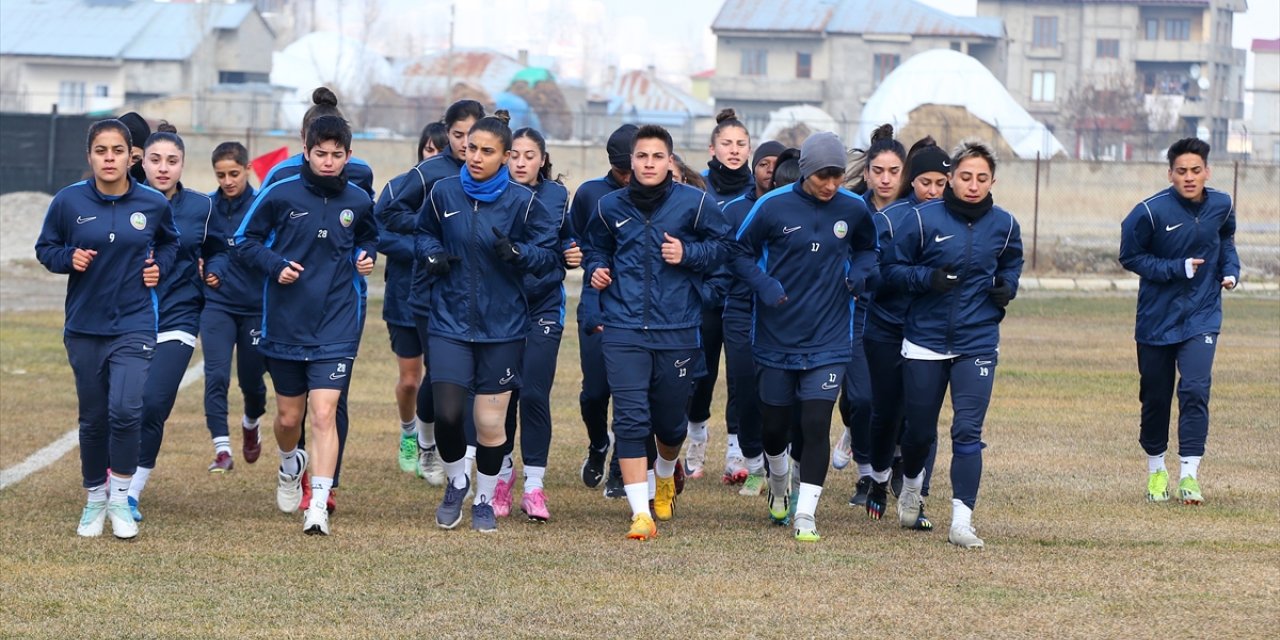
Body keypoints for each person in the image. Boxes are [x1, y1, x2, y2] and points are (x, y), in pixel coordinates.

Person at [583, 124, 732, 540]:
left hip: (678, 330)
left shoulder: (696, 204)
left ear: (670, 161)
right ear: (630, 162)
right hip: (624, 327)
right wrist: (595, 269)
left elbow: (724, 249)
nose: (649, 163)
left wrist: (689, 254)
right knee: (630, 421)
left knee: (670, 426)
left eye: (657, 156)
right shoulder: (608, 206)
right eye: (642, 156)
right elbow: (594, 248)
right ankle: (640, 513)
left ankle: (665, 475)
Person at [234, 114, 378, 535]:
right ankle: (288, 463)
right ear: (306, 152)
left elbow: (370, 237)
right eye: (321, 154)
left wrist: (366, 255)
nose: (329, 162)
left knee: (323, 413)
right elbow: (244, 242)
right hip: (285, 322)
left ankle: (317, 502)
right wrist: (275, 266)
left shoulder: (358, 200)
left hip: (336, 322)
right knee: (287, 418)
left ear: (348, 156)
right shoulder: (279, 192)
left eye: (337, 155)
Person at [35, 118, 179, 539]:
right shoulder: (68, 202)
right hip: (84, 326)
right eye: (102, 151)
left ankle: (120, 500)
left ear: (130, 155)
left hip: (134, 323)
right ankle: (95, 498)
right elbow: (46, 247)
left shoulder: (153, 203)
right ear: (90, 156)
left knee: (126, 409)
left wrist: (159, 268)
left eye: (117, 151)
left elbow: (170, 243)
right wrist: (68, 259)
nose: (110, 158)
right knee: (95, 417)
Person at [731, 132, 878, 541]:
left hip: (830, 338)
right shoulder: (771, 206)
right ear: (807, 172)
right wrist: (765, 285)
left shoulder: (854, 208)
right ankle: (779, 488)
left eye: (837, 177)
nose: (831, 185)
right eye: (823, 177)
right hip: (776, 337)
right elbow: (738, 252)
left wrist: (859, 273)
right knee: (776, 429)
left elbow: (869, 249)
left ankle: (806, 515)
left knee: (815, 424)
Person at [417, 111, 558, 532]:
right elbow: (423, 232)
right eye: (471, 148)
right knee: (446, 414)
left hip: (503, 327)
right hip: (448, 322)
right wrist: (432, 255)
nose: (475, 156)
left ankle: (483, 496)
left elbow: (546, 257)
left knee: (491, 424)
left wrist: (519, 255)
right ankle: (457, 480)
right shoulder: (442, 193)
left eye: (486, 151)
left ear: (504, 157)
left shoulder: (523, 202)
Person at [883, 139, 1023, 549]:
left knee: (967, 430)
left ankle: (962, 521)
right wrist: (926, 280)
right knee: (920, 432)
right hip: (925, 339)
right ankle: (911, 488)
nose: (973, 185)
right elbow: (890, 270)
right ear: (950, 180)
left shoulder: (1006, 224)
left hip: (977, 339)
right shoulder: (922, 220)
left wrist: (1006, 288)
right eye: (965, 177)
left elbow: (1012, 262)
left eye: (982, 178)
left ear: (992, 180)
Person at [1119, 137, 1239, 505]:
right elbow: (1130, 256)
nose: (1189, 177)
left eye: (1196, 171)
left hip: (1202, 316)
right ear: (1170, 174)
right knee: (1156, 397)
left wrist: (1231, 270)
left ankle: (1190, 475)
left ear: (1207, 171)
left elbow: (1226, 240)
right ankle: (1157, 470)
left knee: (1195, 390)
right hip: (1156, 320)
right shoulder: (1149, 212)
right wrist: (1177, 268)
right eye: (1182, 171)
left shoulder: (1221, 204)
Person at [379, 100, 487, 485]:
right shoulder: (430, 173)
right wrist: (433, 228)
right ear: (447, 133)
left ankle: (472, 462)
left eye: (473, 137)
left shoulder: (493, 171)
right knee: (438, 377)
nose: (465, 144)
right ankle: (426, 444)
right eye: (458, 135)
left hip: (477, 294)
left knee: (471, 382)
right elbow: (387, 214)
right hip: (430, 293)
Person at [129, 123, 228, 521]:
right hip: (128, 316)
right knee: (121, 406)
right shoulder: (123, 199)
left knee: (153, 403)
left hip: (180, 314)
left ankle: (132, 490)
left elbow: (219, 246)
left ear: (183, 164)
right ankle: (109, 479)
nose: (163, 168)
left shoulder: (202, 207)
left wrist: (214, 268)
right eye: (155, 160)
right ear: (144, 162)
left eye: (172, 161)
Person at [862, 137, 950, 526]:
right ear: (911, 181)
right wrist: (923, 279)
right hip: (886, 328)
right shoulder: (889, 219)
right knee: (886, 413)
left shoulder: (956, 221)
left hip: (931, 332)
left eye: (940, 184)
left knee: (923, 419)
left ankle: (916, 496)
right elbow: (876, 276)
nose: (932, 191)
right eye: (925, 182)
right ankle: (879, 479)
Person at [492, 127, 576, 522]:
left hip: (543, 304)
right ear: (504, 157)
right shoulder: (490, 194)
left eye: (530, 155)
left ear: (543, 159)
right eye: (515, 155)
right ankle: (503, 477)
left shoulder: (556, 195)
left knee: (535, 393)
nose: (521, 162)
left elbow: (568, 238)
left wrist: (574, 251)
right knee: (503, 395)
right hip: (501, 307)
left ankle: (535, 487)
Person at [835, 124, 905, 509]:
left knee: (894, 400)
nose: (886, 178)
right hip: (858, 314)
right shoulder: (849, 210)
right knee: (860, 399)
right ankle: (865, 472)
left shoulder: (917, 211)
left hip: (900, 316)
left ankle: (894, 464)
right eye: (879, 171)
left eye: (894, 171)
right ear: (867, 173)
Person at [686, 108, 754, 483]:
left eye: (741, 144)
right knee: (702, 373)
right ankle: (696, 438)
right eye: (726, 143)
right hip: (704, 295)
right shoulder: (698, 186)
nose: (734, 150)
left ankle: (736, 450)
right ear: (712, 148)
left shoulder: (757, 191)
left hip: (743, 297)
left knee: (742, 377)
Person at [717, 140, 786, 497]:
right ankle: (754, 465)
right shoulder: (733, 210)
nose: (770, 170)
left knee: (778, 393)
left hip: (783, 310)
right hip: (742, 309)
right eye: (764, 164)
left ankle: (781, 467)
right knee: (744, 390)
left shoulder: (794, 208)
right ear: (754, 168)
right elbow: (724, 259)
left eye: (777, 164)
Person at [572, 123, 636, 498]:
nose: (632, 178)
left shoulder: (658, 196)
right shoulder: (591, 194)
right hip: (598, 306)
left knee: (630, 395)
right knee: (595, 393)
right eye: (624, 171)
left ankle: (619, 469)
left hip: (640, 310)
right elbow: (577, 242)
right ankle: (599, 444)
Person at [201, 141, 269, 473]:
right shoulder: (207, 208)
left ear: (247, 169)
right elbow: (199, 249)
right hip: (218, 305)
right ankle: (222, 449)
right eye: (220, 175)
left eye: (233, 174)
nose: (227, 181)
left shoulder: (263, 206)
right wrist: (204, 268)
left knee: (252, 382)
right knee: (215, 375)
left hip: (256, 307)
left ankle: (251, 422)